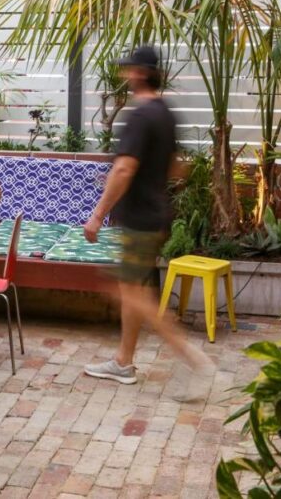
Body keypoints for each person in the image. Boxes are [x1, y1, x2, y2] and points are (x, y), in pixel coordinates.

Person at [82, 46, 211, 390]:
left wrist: (97, 215)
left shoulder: (140, 116)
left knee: (132, 294)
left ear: (139, 72)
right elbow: (177, 167)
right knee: (132, 288)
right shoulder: (165, 112)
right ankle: (123, 362)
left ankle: (192, 358)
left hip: (139, 219)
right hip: (155, 214)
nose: (124, 74)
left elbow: (125, 167)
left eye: (127, 69)